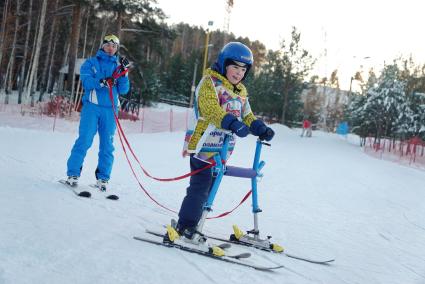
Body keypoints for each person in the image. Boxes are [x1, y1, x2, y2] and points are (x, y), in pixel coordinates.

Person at [165, 42, 275, 245]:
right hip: (203, 145)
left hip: (223, 149)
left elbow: (247, 115)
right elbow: (210, 109)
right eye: (235, 67)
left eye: (243, 69)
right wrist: (232, 123)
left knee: (210, 186)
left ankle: (196, 222)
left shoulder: (241, 91)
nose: (239, 73)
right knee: (200, 185)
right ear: (224, 64)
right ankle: (186, 225)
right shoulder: (210, 83)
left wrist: (259, 127)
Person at [65, 34, 130, 191]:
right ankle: (73, 174)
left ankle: (103, 179)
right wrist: (101, 82)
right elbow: (87, 82)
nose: (110, 48)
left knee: (107, 145)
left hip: (110, 110)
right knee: (85, 140)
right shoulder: (91, 63)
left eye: (114, 46)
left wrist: (125, 73)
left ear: (116, 49)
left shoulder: (118, 66)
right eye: (108, 45)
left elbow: (123, 89)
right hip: (92, 108)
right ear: (102, 46)